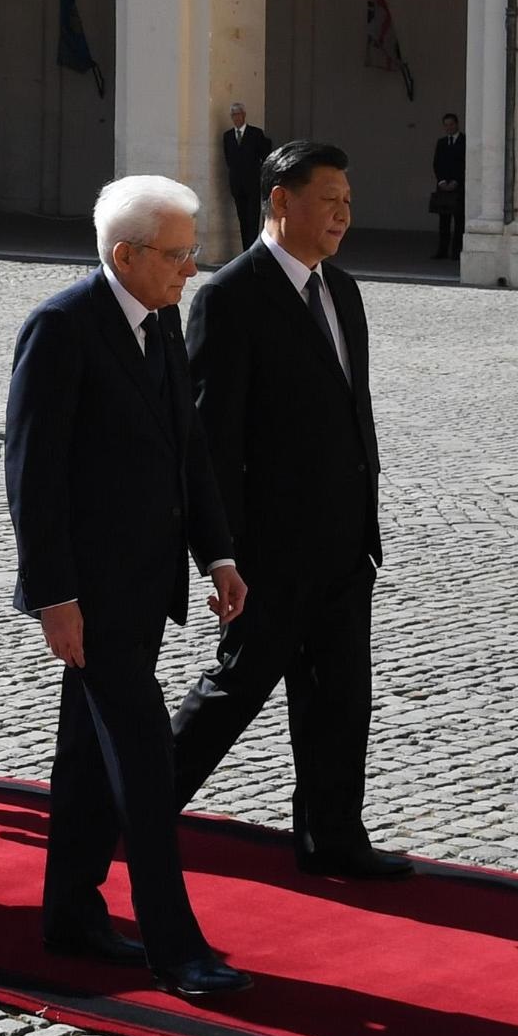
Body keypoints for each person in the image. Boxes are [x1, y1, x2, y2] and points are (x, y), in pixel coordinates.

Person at [3, 173, 252, 1001]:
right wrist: (54, 596)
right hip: (92, 595)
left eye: (193, 252)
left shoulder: (163, 319)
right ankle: (174, 946)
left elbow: (188, 451)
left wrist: (216, 554)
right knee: (145, 764)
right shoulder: (62, 327)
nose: (192, 269)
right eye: (179, 255)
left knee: (85, 755)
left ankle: (69, 912)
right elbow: (32, 477)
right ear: (126, 254)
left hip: (148, 588)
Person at [172, 140, 408, 879]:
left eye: (348, 199)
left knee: (341, 698)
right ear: (280, 201)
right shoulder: (229, 297)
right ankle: (132, 802)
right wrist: (223, 552)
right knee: (235, 688)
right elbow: (211, 439)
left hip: (343, 541)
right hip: (270, 549)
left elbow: (350, 411)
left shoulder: (343, 290)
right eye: (329, 198)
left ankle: (332, 837)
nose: (344, 212)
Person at [220, 103, 269, 254]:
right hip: (237, 184)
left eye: (238, 114)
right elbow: (229, 159)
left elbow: (265, 155)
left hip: (253, 183)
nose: (236, 118)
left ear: (244, 115)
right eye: (233, 115)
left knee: (253, 218)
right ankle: (245, 252)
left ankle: (254, 250)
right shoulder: (228, 136)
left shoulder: (255, 133)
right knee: (242, 219)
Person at [428, 112, 466, 261]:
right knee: (443, 222)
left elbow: (465, 163)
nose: (449, 127)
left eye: (451, 124)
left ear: (457, 124)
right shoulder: (441, 142)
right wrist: (442, 181)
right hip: (443, 187)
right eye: (446, 125)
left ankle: (457, 252)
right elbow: (437, 163)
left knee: (459, 222)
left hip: (459, 187)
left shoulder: (464, 141)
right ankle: (442, 251)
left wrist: (457, 181)